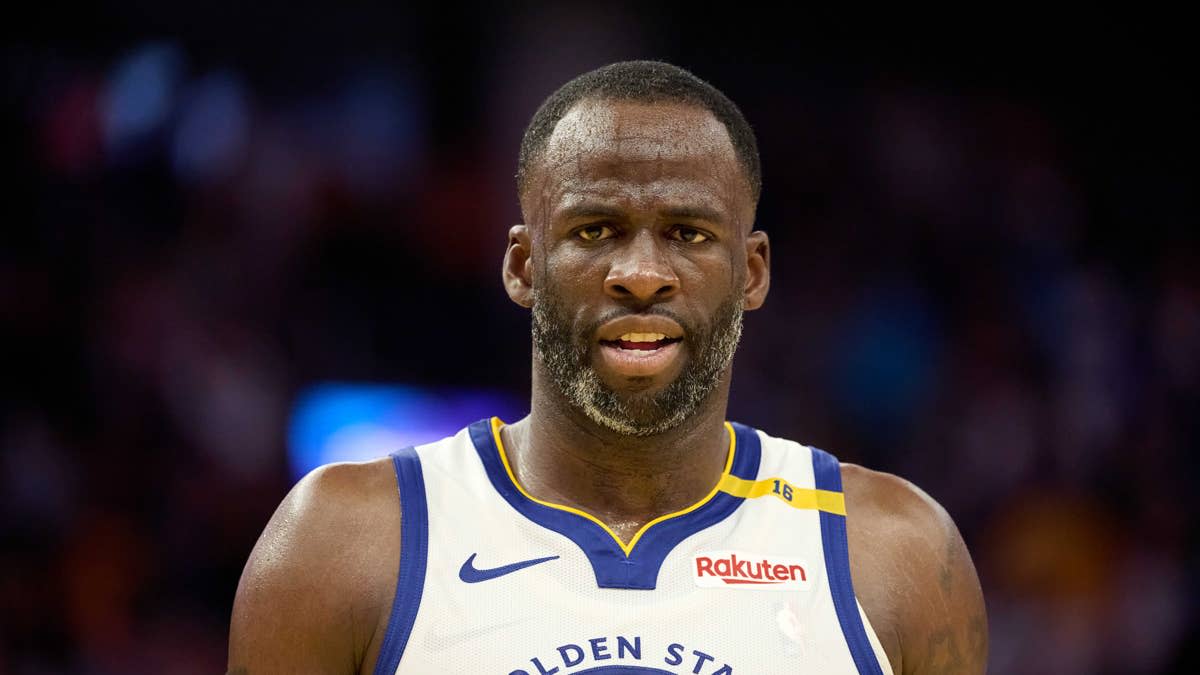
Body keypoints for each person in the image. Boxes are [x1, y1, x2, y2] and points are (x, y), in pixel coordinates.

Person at [228, 60, 987, 675]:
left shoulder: (894, 555)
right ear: (523, 265)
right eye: (596, 229)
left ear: (752, 272)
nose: (642, 273)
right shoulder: (342, 545)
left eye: (688, 233)